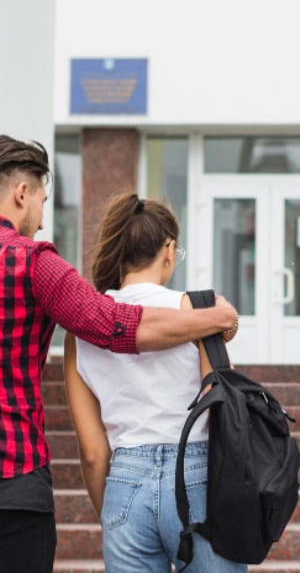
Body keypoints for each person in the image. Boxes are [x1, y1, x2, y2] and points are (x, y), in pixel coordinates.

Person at [0, 136, 239, 573]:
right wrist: (213, 317)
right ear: (22, 193)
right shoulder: (34, 262)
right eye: (42, 200)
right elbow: (113, 324)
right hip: (8, 484)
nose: (39, 220)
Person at [62, 192, 244, 573]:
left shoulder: (82, 332)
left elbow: (93, 452)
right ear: (168, 249)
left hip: (125, 480)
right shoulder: (197, 311)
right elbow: (219, 406)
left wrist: (111, 511)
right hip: (197, 474)